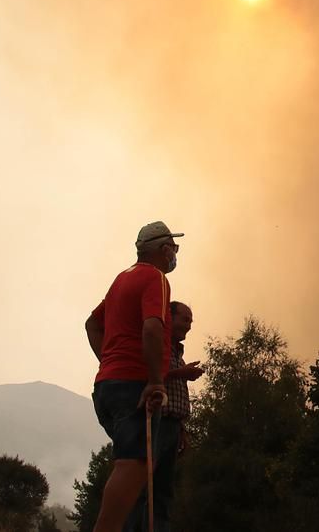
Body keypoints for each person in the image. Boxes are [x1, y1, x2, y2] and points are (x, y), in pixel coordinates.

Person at [84, 221, 183, 532]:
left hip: (107, 387)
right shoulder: (155, 278)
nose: (175, 255)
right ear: (164, 248)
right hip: (133, 386)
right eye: (174, 248)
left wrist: (109, 361)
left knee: (132, 465)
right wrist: (155, 381)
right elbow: (153, 327)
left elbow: (91, 324)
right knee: (133, 464)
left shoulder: (121, 280)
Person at [125, 301, 204, 531]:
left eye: (191, 321)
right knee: (142, 486)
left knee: (163, 490)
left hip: (171, 426)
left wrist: (181, 430)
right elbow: (149, 374)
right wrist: (183, 373)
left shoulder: (176, 350)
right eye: (185, 320)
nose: (189, 326)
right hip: (154, 424)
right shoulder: (157, 344)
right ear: (169, 318)